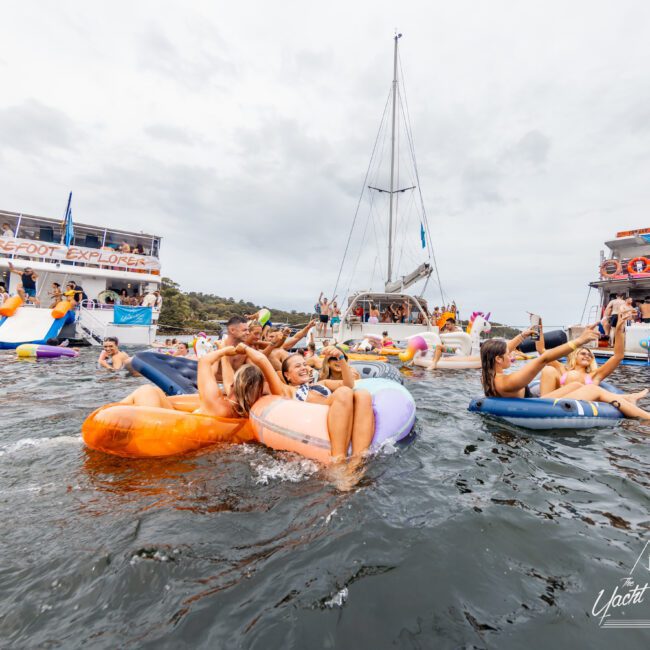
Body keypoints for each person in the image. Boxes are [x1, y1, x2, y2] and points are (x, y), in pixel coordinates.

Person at [480, 328, 650, 418]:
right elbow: (543, 358)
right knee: (593, 390)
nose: (512, 353)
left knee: (576, 384)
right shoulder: (509, 381)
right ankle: (646, 417)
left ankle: (628, 398)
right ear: (498, 360)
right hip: (536, 407)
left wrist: (522, 336)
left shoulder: (489, 374)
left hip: (535, 400)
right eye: (508, 353)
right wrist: (579, 341)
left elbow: (501, 350)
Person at [121, 343, 281, 419]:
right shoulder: (245, 410)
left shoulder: (217, 402)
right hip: (183, 424)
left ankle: (109, 412)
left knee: (148, 390)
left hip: (163, 428)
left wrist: (225, 350)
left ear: (233, 386)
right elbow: (231, 378)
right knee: (156, 393)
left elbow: (204, 361)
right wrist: (228, 358)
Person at [280, 346, 375, 458]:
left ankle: (358, 459)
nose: (303, 368)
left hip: (339, 411)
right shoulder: (287, 389)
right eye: (297, 366)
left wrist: (340, 357)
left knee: (363, 394)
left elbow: (349, 384)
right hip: (321, 416)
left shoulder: (321, 384)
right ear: (287, 375)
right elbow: (266, 367)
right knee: (344, 392)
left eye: (305, 364)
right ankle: (338, 459)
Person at [539, 311, 634, 394]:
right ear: (575, 356)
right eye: (583, 354)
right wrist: (538, 328)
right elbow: (541, 350)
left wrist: (618, 330)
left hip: (579, 403)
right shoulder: (561, 369)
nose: (587, 356)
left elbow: (618, 356)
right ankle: (542, 406)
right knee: (548, 370)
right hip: (556, 401)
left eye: (590, 355)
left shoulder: (595, 375)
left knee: (573, 375)